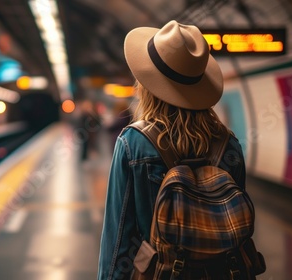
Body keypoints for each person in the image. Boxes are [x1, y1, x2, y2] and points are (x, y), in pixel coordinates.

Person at [97, 20, 246, 279]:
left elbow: (119, 235)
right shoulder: (227, 143)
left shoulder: (133, 143)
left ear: (147, 86)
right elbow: (240, 228)